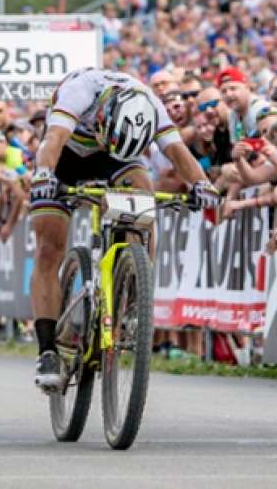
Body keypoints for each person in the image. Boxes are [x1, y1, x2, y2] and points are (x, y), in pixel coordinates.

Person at [27, 68, 219, 391]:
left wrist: (203, 185)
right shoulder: (80, 92)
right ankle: (48, 351)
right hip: (65, 158)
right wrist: (44, 174)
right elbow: (53, 140)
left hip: (117, 157)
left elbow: (177, 153)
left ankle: (131, 291)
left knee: (143, 196)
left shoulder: (151, 104)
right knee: (49, 248)